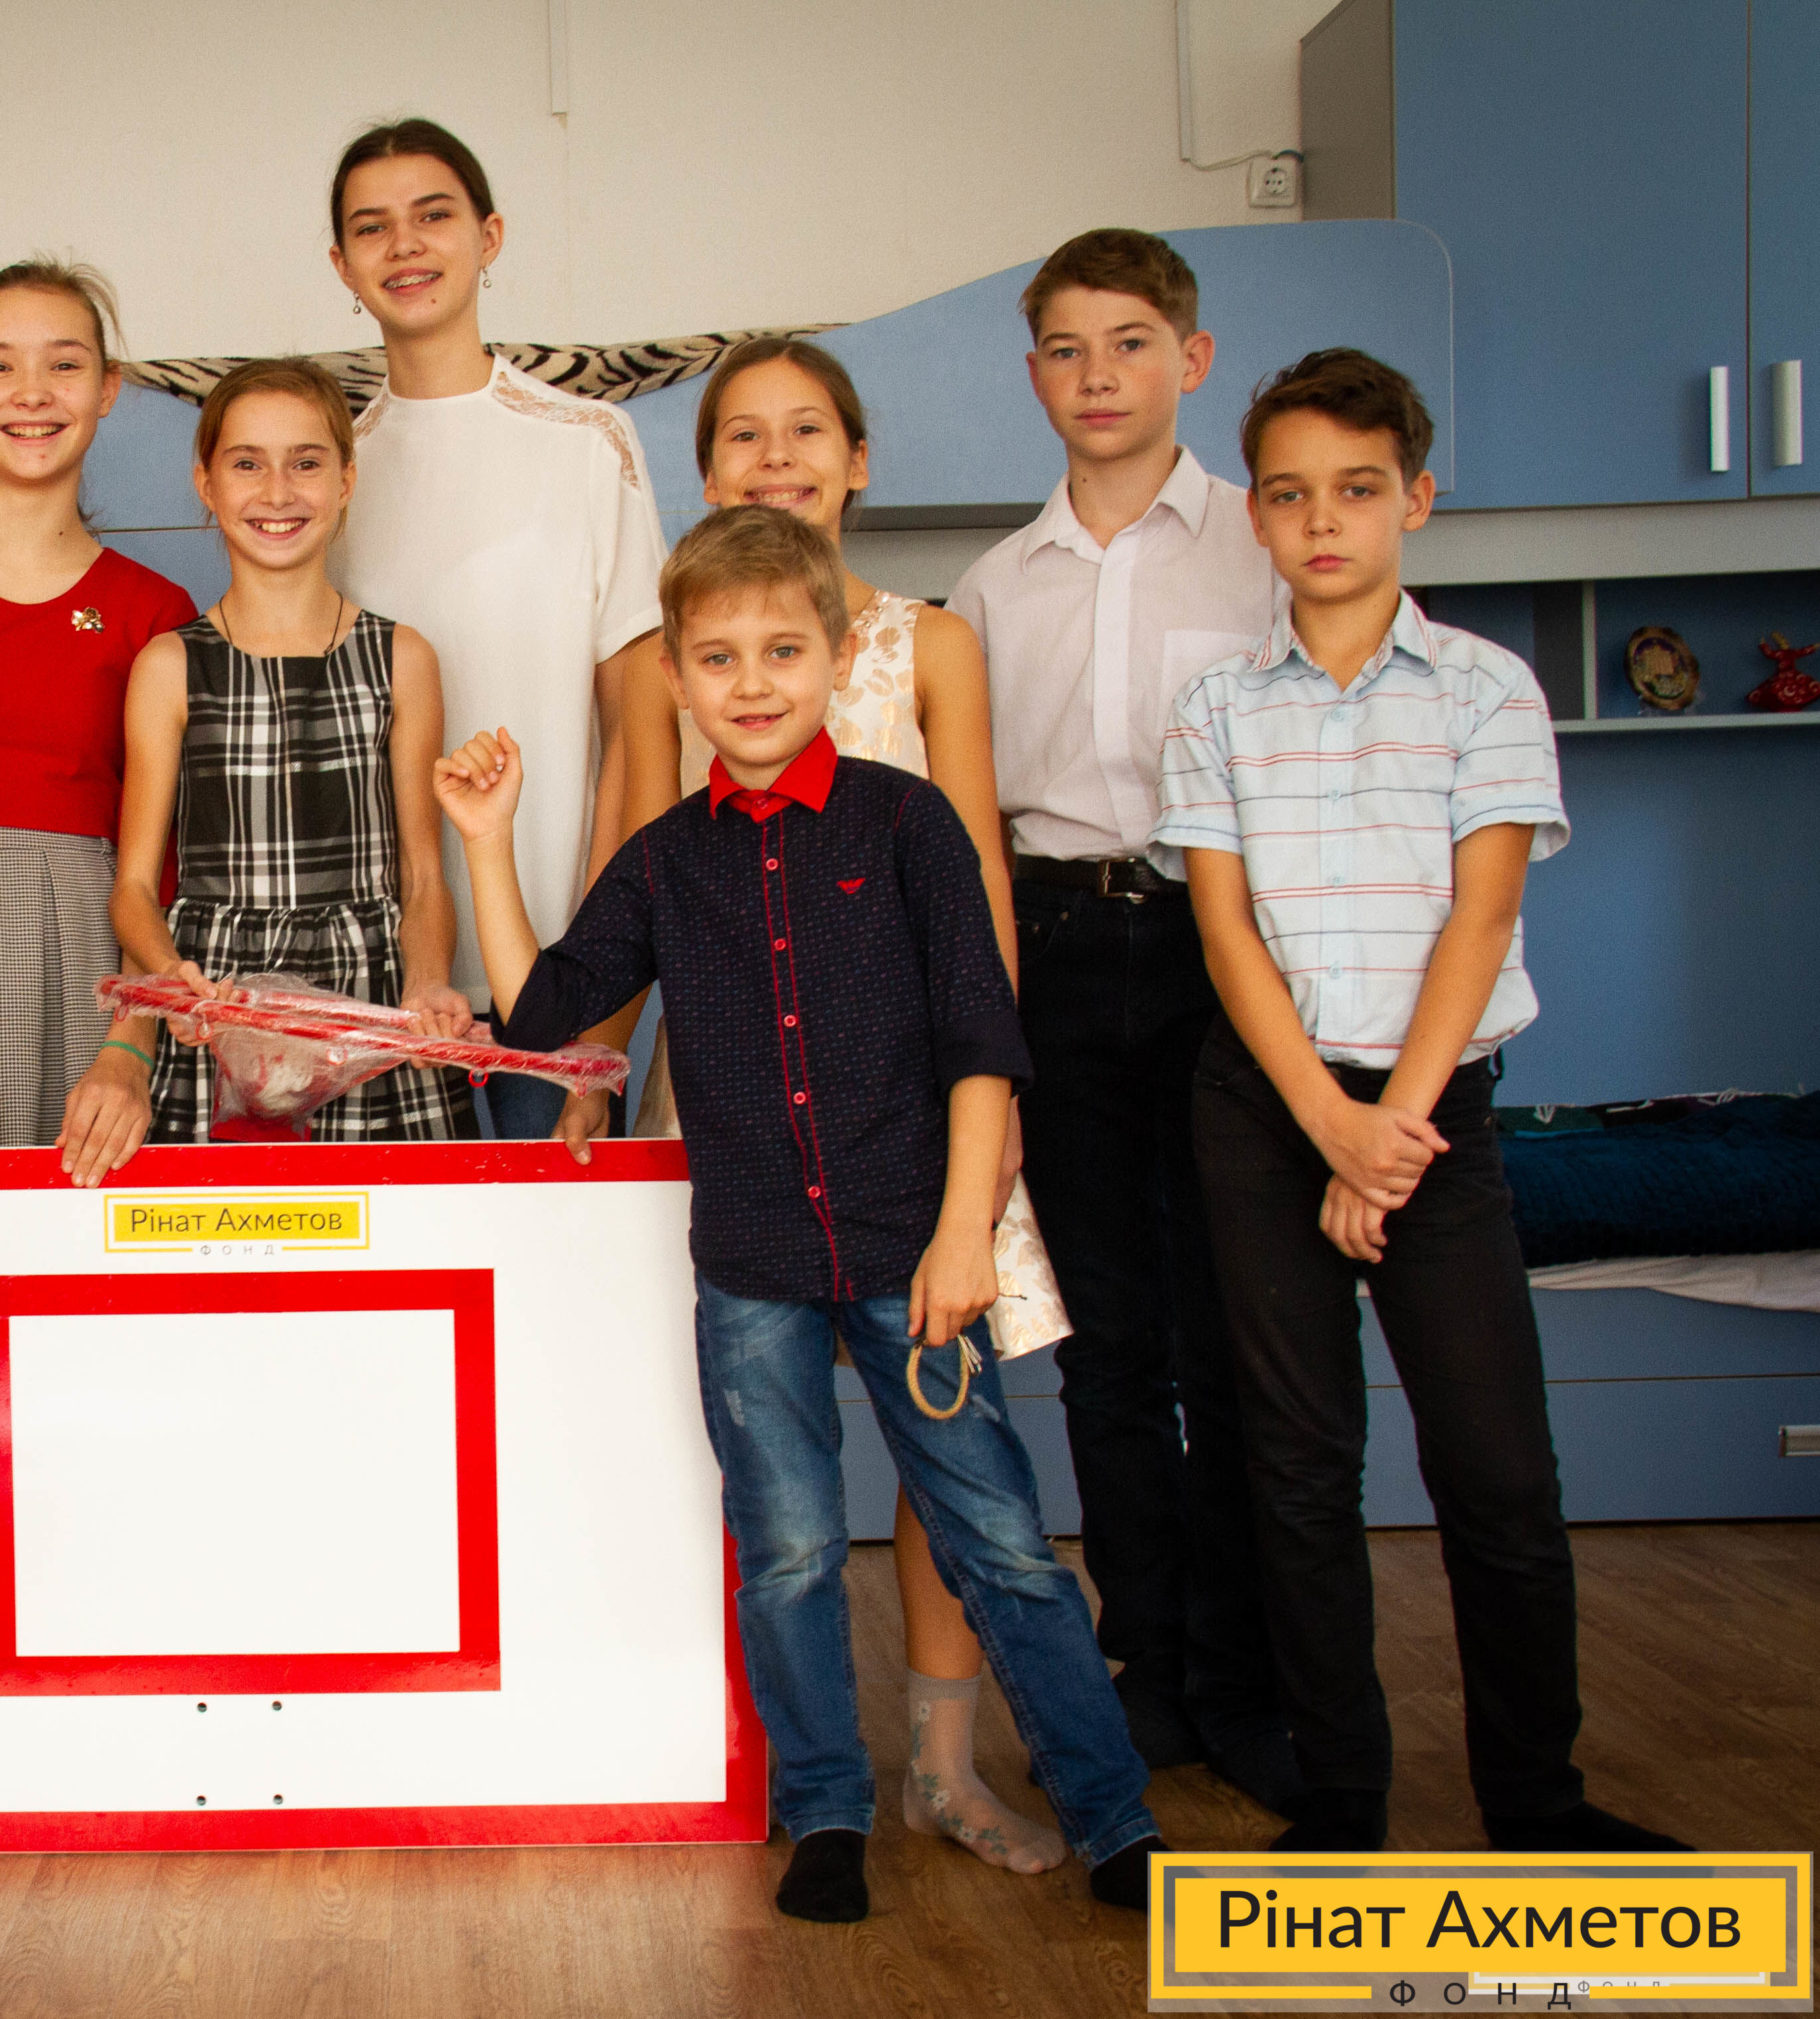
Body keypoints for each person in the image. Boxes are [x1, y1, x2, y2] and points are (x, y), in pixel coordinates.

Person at [436, 506, 1162, 1922]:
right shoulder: (664, 858)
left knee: (1003, 1542)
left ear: (836, 654)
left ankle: (1113, 1814)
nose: (751, 681)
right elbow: (538, 1012)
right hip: (753, 1267)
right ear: (676, 680)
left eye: (782, 649)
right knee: (785, 1550)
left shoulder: (907, 823)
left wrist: (965, 1233)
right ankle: (826, 1805)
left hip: (911, 1250)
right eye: (716, 657)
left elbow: (982, 1036)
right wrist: (487, 839)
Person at [1151, 351, 1688, 1859]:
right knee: (1297, 1467)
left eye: (1355, 488)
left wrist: (1385, 1132)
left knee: (1497, 1471)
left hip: (1432, 1114)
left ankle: (1536, 1800)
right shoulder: (1214, 706)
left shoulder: (1486, 688)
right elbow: (1225, 938)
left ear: (1415, 499)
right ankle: (1341, 1800)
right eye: (1288, 493)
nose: (1321, 519)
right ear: (1254, 515)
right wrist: (1328, 1126)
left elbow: (1479, 917)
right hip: (1268, 1112)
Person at [621, 337, 1061, 1872]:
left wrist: (989, 1097)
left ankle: (943, 1763)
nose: (775, 458)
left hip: (914, 1104)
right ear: (703, 474)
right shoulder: (656, 661)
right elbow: (632, 885)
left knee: (947, 1432)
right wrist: (583, 1095)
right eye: (741, 436)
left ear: (856, 458)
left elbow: (980, 878)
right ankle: (776, 1766)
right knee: (750, 1449)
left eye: (804, 429)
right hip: (732, 1105)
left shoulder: (929, 642)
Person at [943, 228, 1300, 1815]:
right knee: (1103, 1341)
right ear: (1031, 375)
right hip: (1056, 952)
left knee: (1234, 1332)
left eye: (1130, 342)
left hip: (1227, 952)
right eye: (1065, 349)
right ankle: (1142, 1660)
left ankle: (1243, 1674)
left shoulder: (1261, 549)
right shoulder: (986, 588)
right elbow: (969, 825)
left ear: (1191, 359)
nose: (1097, 376)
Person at [323, 118, 665, 1152]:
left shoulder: (588, 446)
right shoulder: (326, 477)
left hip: (552, 977)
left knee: (551, 1257)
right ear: (342, 266)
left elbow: (639, 741)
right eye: (371, 227)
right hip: (382, 982)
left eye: (432, 216)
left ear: (489, 236)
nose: (404, 245)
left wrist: (601, 1011)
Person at [0, 263, 197, 1173]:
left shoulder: (156, 611)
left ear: (107, 389)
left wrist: (130, 1047)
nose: (31, 393)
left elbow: (168, 868)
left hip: (89, 964)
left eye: (63, 364)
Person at [101, 357, 473, 1150]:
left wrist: (427, 981)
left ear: (345, 481)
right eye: (247, 463)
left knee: (385, 1225)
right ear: (205, 484)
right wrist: (170, 974)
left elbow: (421, 875)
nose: (277, 491)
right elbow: (132, 886)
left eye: (306, 462)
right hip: (224, 1005)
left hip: (368, 1008)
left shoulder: (402, 658)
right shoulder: (170, 666)